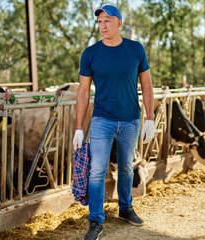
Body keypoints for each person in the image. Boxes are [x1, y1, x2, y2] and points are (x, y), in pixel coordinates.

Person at [72, 4, 155, 240]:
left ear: (119, 23)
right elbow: (83, 92)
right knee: (97, 171)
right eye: (99, 22)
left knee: (127, 167)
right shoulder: (90, 53)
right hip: (101, 120)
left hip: (131, 119)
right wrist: (79, 127)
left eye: (107, 21)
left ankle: (125, 208)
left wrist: (150, 118)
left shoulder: (136, 49)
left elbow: (147, 84)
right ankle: (96, 220)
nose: (103, 26)